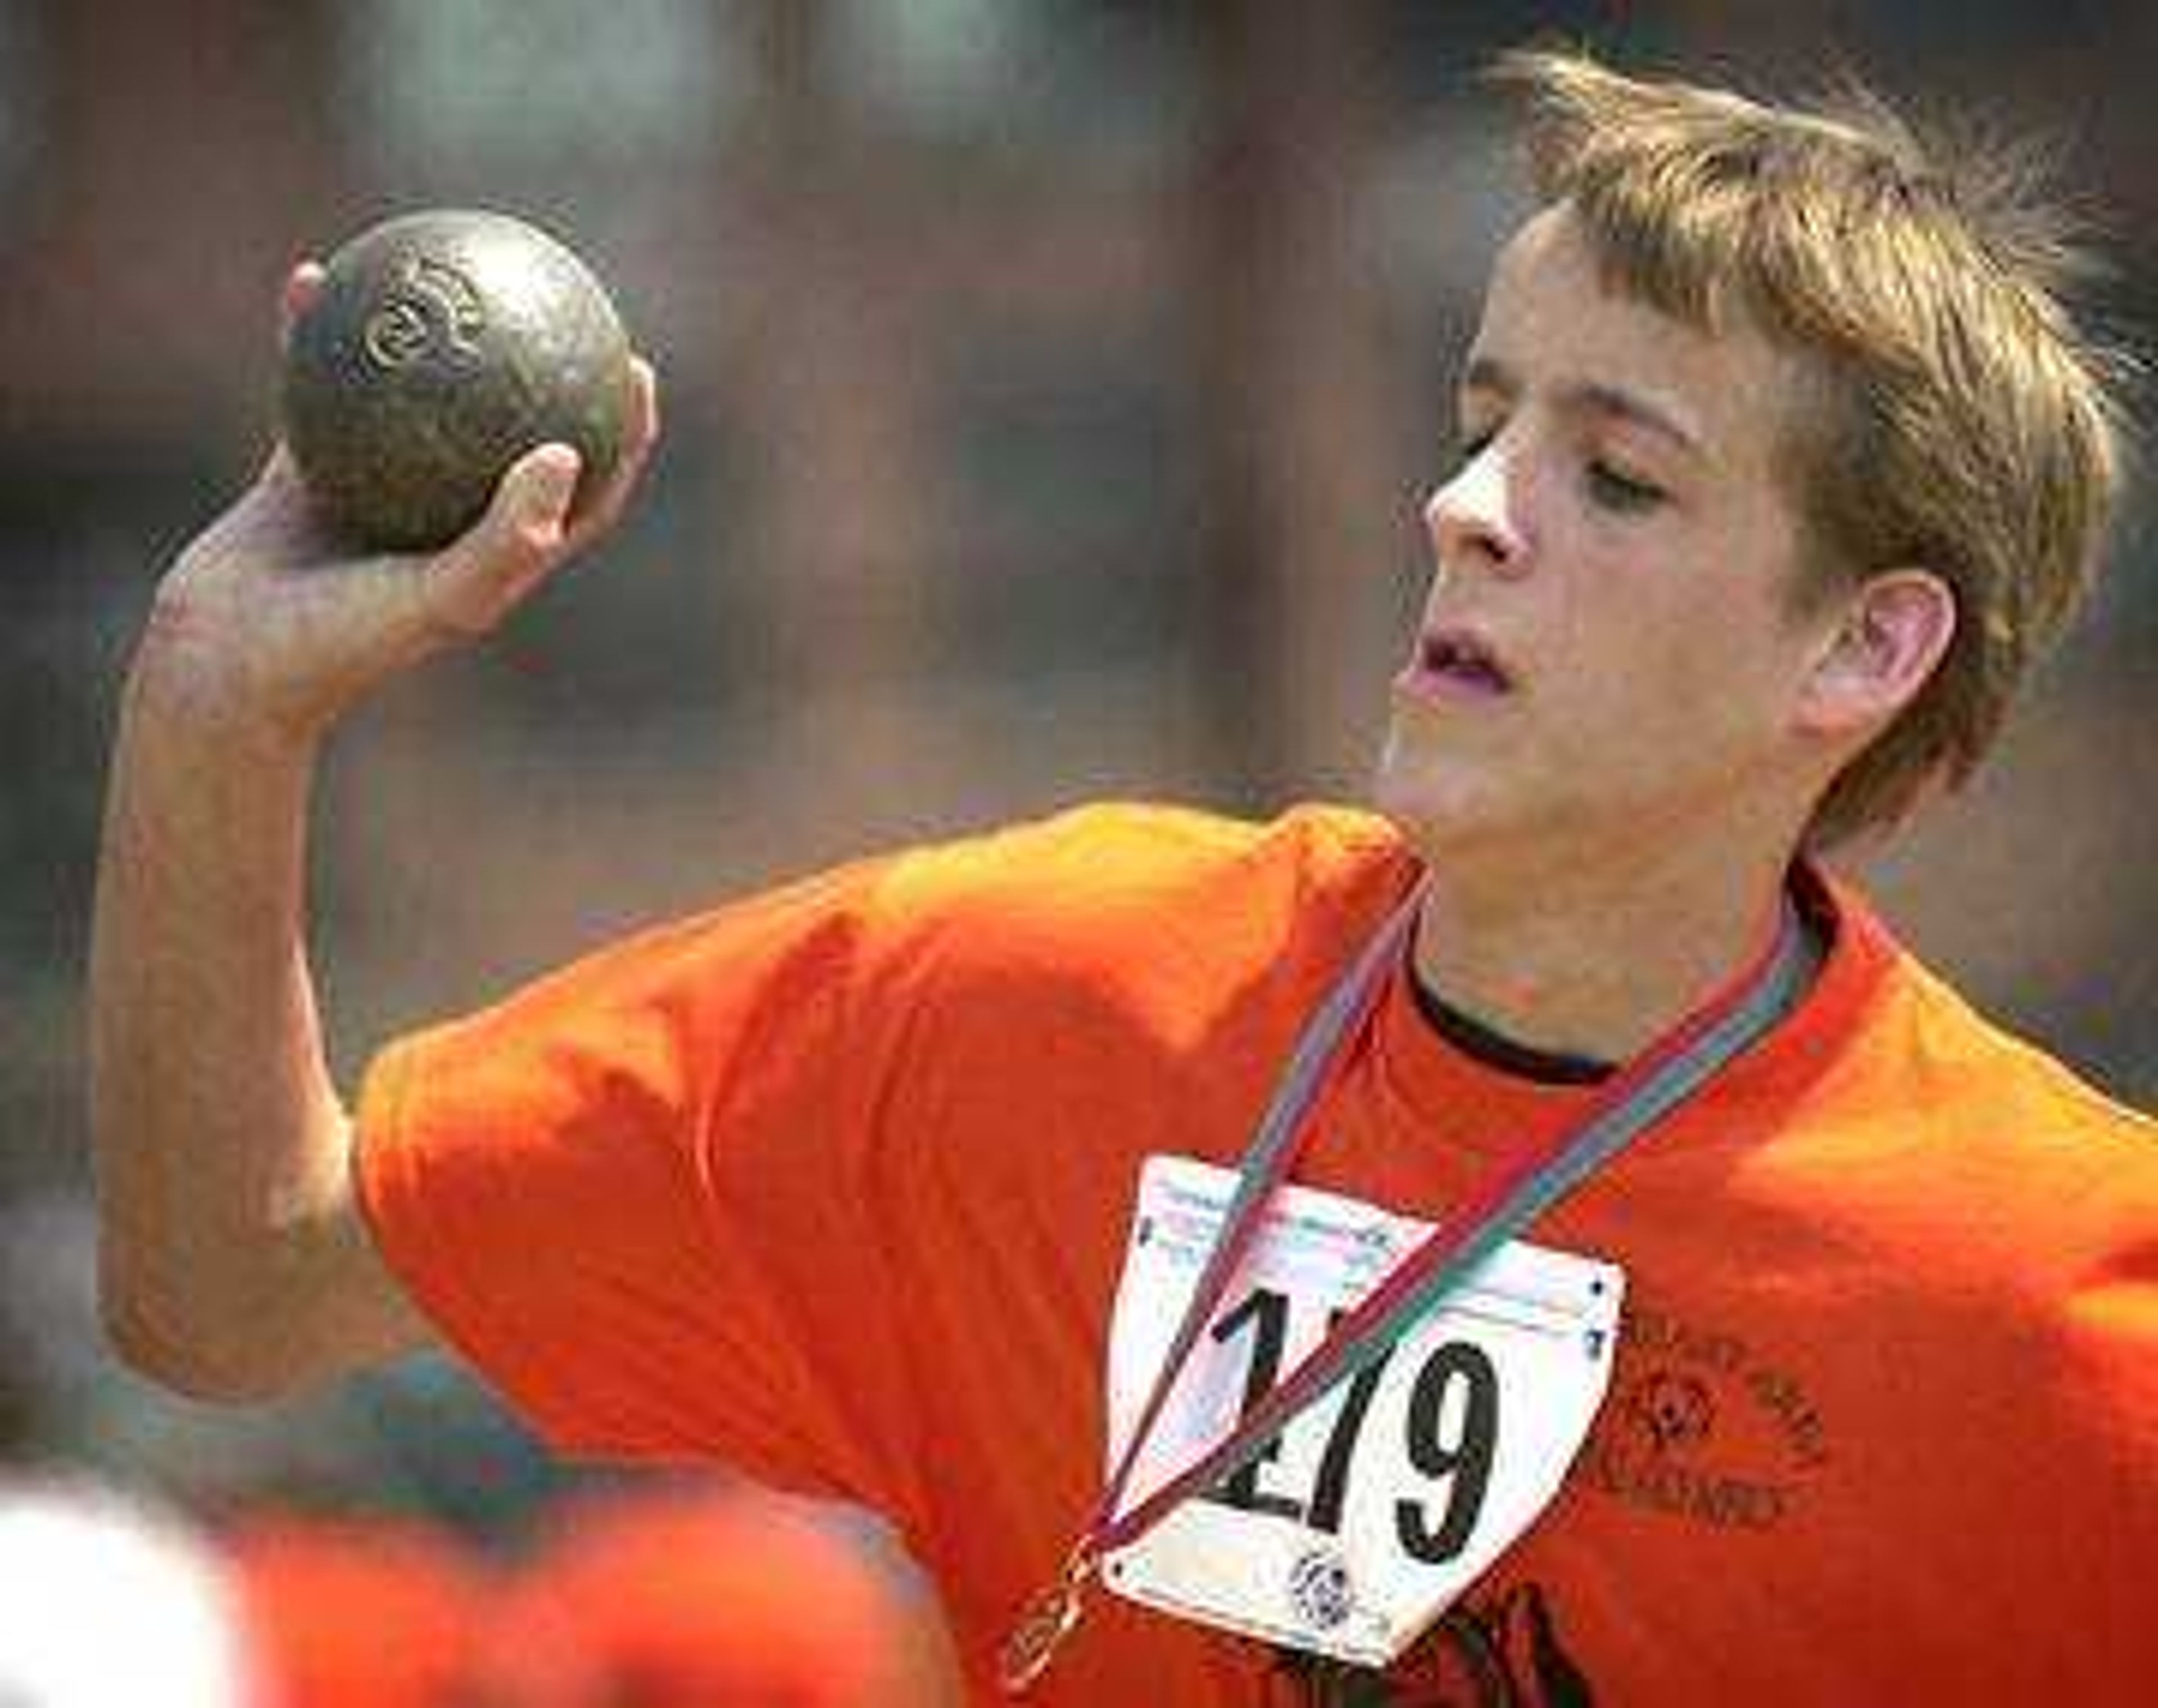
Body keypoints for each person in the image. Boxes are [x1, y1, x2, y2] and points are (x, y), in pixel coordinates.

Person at [90, 45, 2155, 1706]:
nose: (1464, 511)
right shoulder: (1016, 1003)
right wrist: (217, 712)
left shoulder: (2068, 1302)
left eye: (1616, 475)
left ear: (1863, 648)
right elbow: (236, 1287)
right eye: (1484, 419)